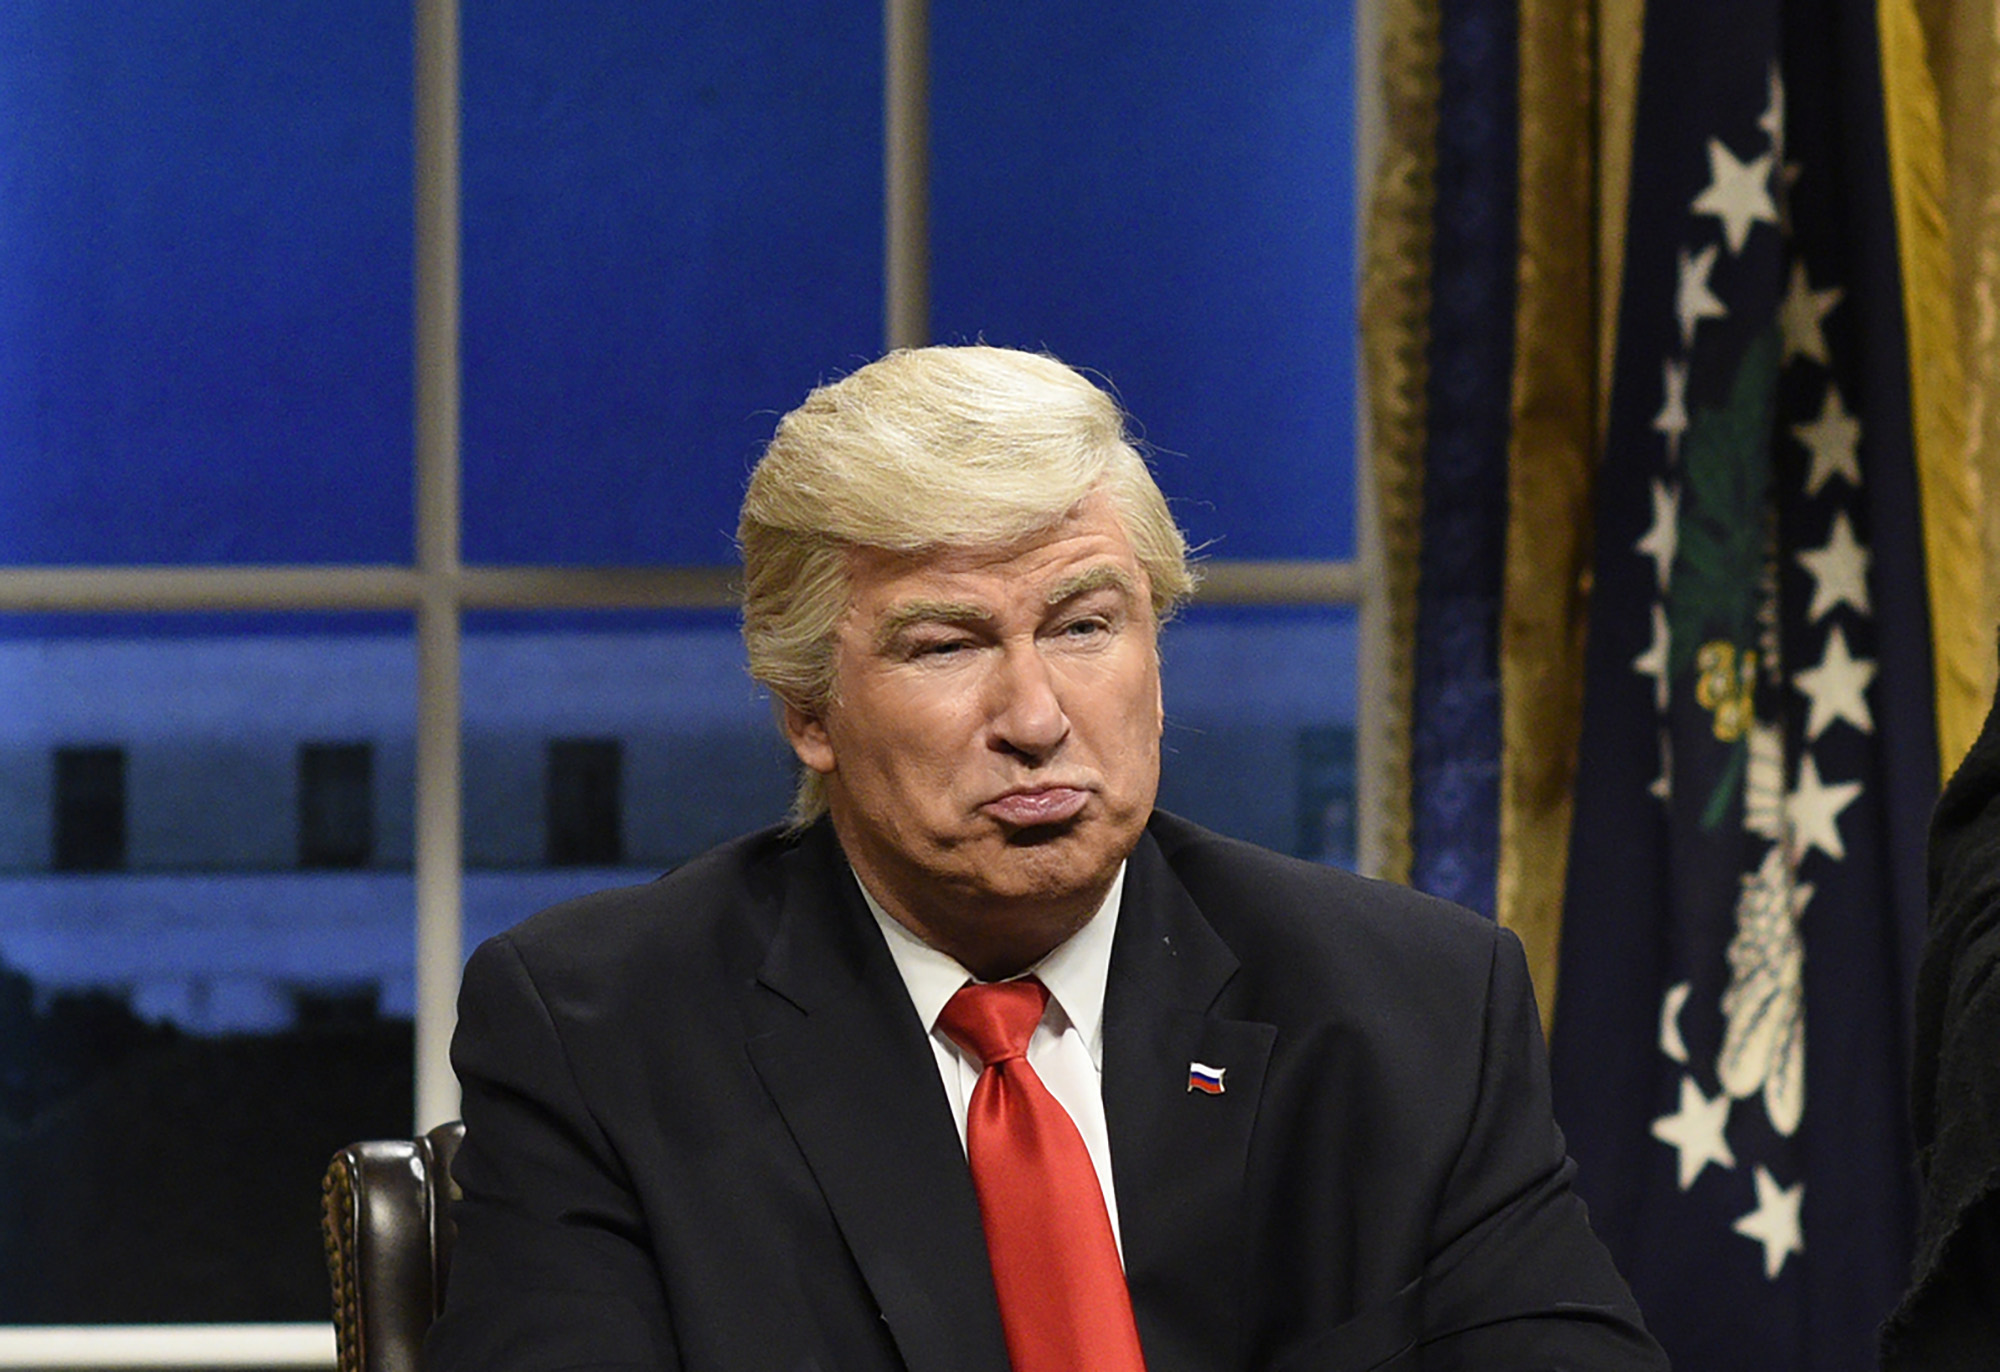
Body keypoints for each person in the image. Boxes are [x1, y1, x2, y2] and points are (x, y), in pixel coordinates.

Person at [426, 346, 1667, 1371]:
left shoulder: (1412, 1008)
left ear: (1154, 661)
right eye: (945, 645)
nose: (1033, 715)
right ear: (807, 709)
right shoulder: (603, 1032)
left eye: (1082, 625)